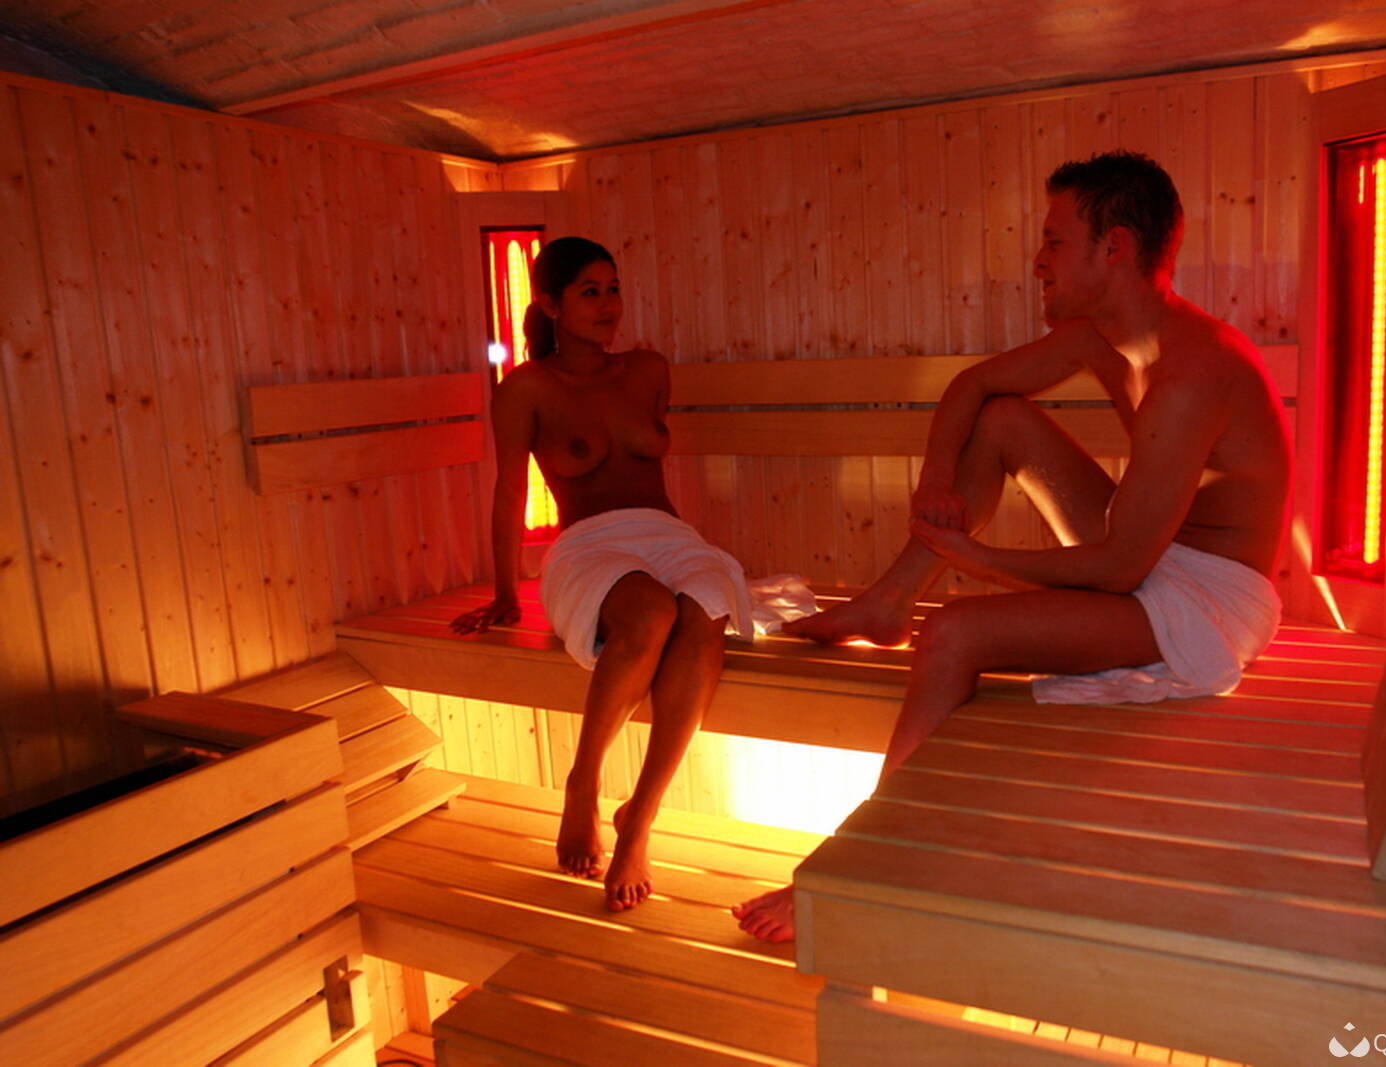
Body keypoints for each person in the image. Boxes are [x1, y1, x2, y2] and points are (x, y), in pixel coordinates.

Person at [733, 150, 1291, 943]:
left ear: (1114, 247)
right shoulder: (1103, 336)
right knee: (1002, 420)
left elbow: (1117, 568)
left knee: (953, 634)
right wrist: (936, 484)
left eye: (1054, 240)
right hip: (1150, 550)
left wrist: (976, 560)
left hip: (1205, 603)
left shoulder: (1193, 372)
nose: (1038, 260)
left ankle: (868, 860)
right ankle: (889, 600)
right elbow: (973, 387)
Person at [453, 237, 757, 912]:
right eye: (589, 292)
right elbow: (509, 491)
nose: (608, 305)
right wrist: (505, 592)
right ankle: (583, 786)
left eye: (613, 289)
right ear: (550, 304)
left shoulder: (649, 369)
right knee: (650, 612)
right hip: (590, 543)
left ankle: (639, 819)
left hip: (668, 534)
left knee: (706, 607)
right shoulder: (527, 388)